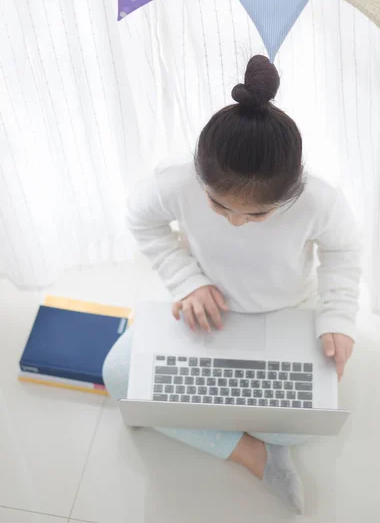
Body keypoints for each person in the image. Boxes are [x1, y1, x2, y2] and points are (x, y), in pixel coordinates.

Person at [103, 55, 361, 514]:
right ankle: (250, 452)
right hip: (208, 311)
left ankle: (223, 427)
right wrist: (186, 280)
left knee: (302, 425)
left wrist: (337, 317)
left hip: (286, 315)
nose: (238, 223)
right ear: (199, 179)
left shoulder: (321, 200)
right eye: (220, 207)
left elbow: (343, 254)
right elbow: (141, 221)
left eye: (259, 214)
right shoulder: (177, 181)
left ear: (293, 191)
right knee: (119, 377)